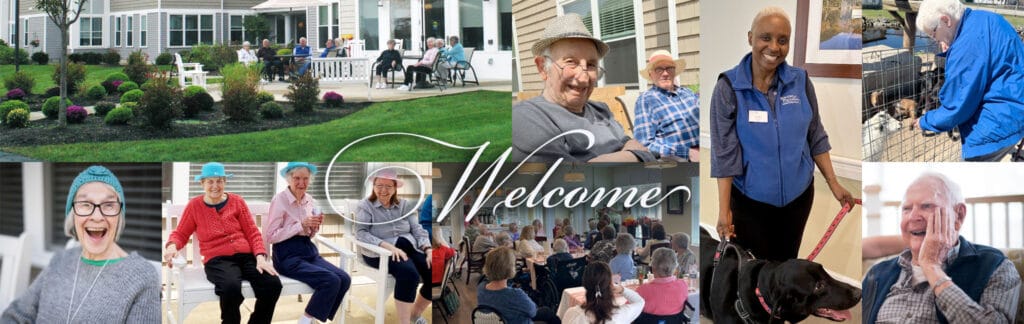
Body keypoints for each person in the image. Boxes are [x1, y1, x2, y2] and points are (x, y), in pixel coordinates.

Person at [711, 6, 854, 261]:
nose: (774, 47)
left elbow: (815, 134)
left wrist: (834, 183)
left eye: (783, 40)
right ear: (750, 38)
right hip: (750, 202)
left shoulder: (800, 81)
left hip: (798, 198)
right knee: (755, 268)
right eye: (765, 37)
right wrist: (724, 211)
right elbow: (724, 154)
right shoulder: (729, 87)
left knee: (786, 264)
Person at [1, 166, 160, 323]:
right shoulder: (59, 261)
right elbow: (16, 315)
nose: (97, 216)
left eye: (109, 205)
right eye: (85, 204)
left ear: (119, 215)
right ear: (73, 215)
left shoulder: (141, 277)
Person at [863, 172, 1021, 322]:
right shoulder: (877, 274)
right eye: (907, 208)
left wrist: (931, 267)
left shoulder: (996, 267)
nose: (913, 217)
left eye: (926, 206)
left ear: (958, 215)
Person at [512, 13, 655, 162]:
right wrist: (634, 155)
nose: (583, 77)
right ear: (543, 68)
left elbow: (627, 141)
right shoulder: (526, 117)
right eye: (571, 62)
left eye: (591, 64)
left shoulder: (601, 110)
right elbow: (567, 180)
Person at [164, 162, 282, 324]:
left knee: (273, 284)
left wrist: (260, 257)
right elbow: (181, 233)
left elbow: (253, 233)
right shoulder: (194, 206)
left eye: (219, 181)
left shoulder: (237, 202)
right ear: (202, 183)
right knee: (231, 288)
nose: (215, 186)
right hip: (218, 261)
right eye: (210, 181)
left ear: (225, 182)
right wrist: (172, 246)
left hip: (247, 258)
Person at [915, 0, 1024, 161]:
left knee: (969, 182)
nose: (935, 40)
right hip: (1016, 107)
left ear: (946, 20)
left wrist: (925, 121)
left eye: (933, 33)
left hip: (996, 125)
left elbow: (956, 108)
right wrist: (952, 44)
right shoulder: (985, 19)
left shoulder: (966, 47)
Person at [264, 162, 350, 324]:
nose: (301, 183)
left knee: (344, 278)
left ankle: (315, 318)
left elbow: (308, 234)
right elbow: (271, 236)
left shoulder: (309, 200)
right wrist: (300, 225)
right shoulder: (280, 200)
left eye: (306, 179)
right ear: (288, 178)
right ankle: (305, 320)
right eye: (297, 178)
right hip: (286, 256)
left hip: (307, 250)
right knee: (330, 280)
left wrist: (314, 226)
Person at [355, 168, 432, 324]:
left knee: (433, 271)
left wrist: (428, 248)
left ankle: (414, 314)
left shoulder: (405, 205)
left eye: (388, 186)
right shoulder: (365, 206)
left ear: (395, 187)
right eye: (379, 185)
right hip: (379, 253)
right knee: (409, 274)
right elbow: (361, 233)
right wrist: (388, 247)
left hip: (409, 247)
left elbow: (417, 229)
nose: (383, 190)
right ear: (373, 186)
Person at [634, 50, 700, 162]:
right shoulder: (646, 100)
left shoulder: (687, 93)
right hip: (680, 159)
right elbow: (644, 144)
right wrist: (687, 153)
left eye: (669, 68)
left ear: (675, 72)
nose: (665, 73)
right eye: (659, 69)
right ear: (651, 74)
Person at [477, 247, 561, 324]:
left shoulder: (481, 288)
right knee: (548, 312)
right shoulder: (515, 295)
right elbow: (533, 312)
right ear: (510, 268)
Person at [561, 261, 645, 324]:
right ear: (610, 284)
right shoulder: (621, 314)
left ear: (585, 283)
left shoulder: (573, 314)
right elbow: (640, 301)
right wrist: (622, 289)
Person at [636, 248, 688, 316]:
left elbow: (627, 310)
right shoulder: (682, 285)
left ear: (653, 267)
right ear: (674, 267)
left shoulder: (642, 290)